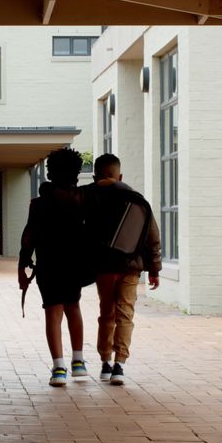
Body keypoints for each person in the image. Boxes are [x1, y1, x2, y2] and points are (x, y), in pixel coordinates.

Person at [84, 154, 161, 385]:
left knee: (106, 313)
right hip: (130, 267)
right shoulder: (135, 199)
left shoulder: (89, 197)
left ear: (95, 176)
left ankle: (105, 362)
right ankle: (120, 364)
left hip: (104, 267)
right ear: (120, 175)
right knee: (125, 314)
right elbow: (152, 235)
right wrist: (154, 269)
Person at [18, 148, 94, 387]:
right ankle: (79, 362)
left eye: (49, 169)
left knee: (53, 312)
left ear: (52, 173)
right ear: (75, 174)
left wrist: (23, 265)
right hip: (75, 264)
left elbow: (29, 236)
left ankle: (59, 367)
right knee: (73, 307)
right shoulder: (84, 199)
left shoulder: (39, 203)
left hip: (49, 264)